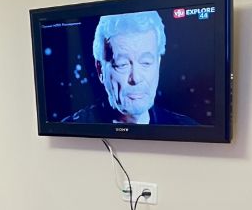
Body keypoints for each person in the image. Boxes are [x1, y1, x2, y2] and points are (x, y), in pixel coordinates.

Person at [62, 11, 197, 125]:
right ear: (100, 70)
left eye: (146, 63)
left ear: (158, 64)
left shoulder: (187, 128)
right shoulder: (72, 127)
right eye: (122, 65)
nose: (135, 78)